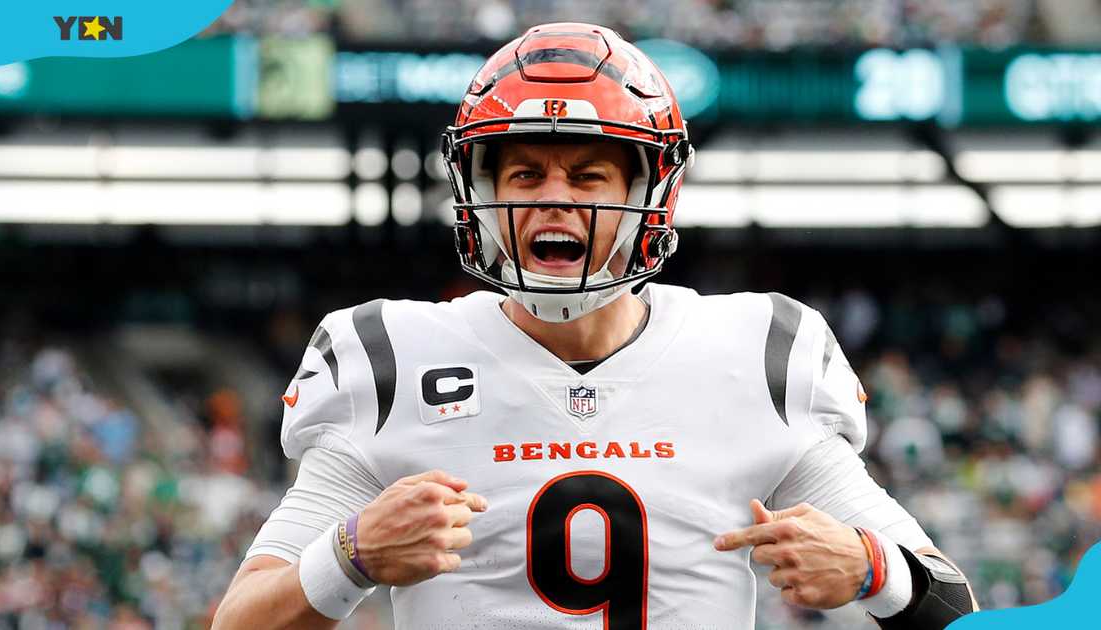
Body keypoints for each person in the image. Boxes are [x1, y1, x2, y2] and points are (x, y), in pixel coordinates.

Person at [212, 22, 976, 629]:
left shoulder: (762, 354)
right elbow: (241, 622)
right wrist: (351, 556)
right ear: (476, 193)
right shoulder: (385, 361)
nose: (553, 199)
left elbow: (952, 604)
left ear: (651, 196)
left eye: (587, 175)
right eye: (523, 174)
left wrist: (874, 569)